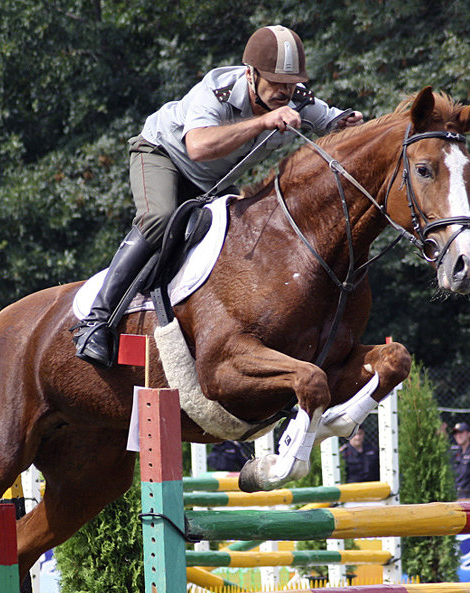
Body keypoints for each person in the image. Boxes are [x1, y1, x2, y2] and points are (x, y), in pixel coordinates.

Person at [72, 25, 364, 367]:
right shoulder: (217, 91)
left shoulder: (297, 98)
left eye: (291, 83)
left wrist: (348, 122)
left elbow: (333, 121)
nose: (285, 92)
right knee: (159, 219)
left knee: (246, 235)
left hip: (211, 184)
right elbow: (197, 147)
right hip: (163, 155)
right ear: (251, 74)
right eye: (275, 82)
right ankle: (94, 322)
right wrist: (263, 122)